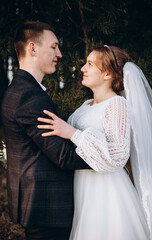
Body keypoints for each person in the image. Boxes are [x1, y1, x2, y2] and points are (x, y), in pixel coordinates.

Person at [38, 45, 152, 240]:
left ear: (107, 74)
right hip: (84, 188)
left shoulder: (117, 105)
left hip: (107, 191)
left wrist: (74, 134)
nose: (82, 69)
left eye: (90, 64)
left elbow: (119, 155)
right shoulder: (85, 107)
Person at [1, 21, 90, 240]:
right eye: (53, 47)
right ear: (32, 48)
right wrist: (108, 156)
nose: (59, 54)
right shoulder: (30, 96)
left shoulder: (21, 89)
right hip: (48, 206)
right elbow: (63, 156)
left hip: (38, 204)